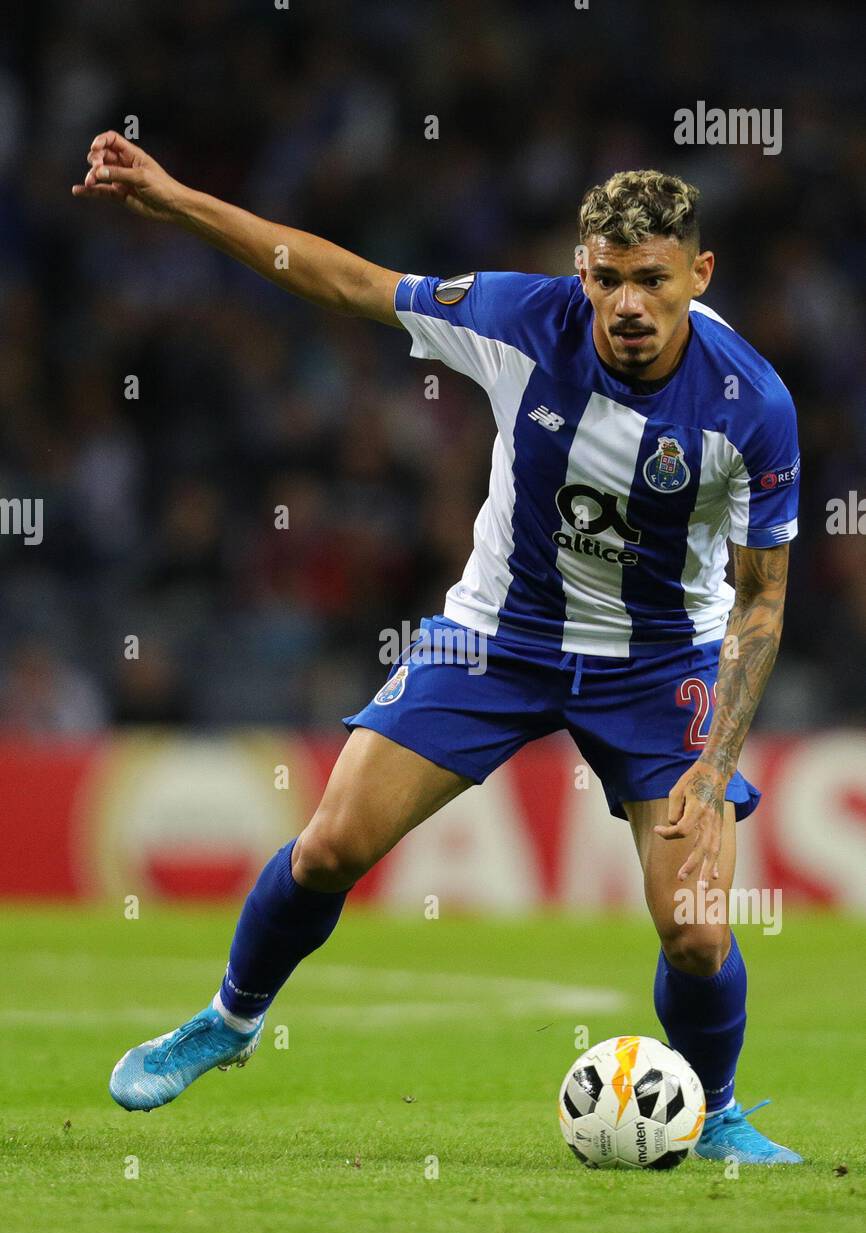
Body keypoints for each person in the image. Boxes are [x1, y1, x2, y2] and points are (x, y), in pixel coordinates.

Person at [74, 135, 802, 1162]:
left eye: (651, 280)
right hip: (496, 638)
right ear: (579, 268)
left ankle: (714, 1110)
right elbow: (346, 280)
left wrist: (715, 758)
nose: (627, 304)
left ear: (698, 273)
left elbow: (761, 602)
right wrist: (180, 198)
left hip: (658, 665)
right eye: (605, 279)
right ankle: (228, 1023)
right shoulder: (518, 317)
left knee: (692, 927)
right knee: (329, 845)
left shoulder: (751, 407)